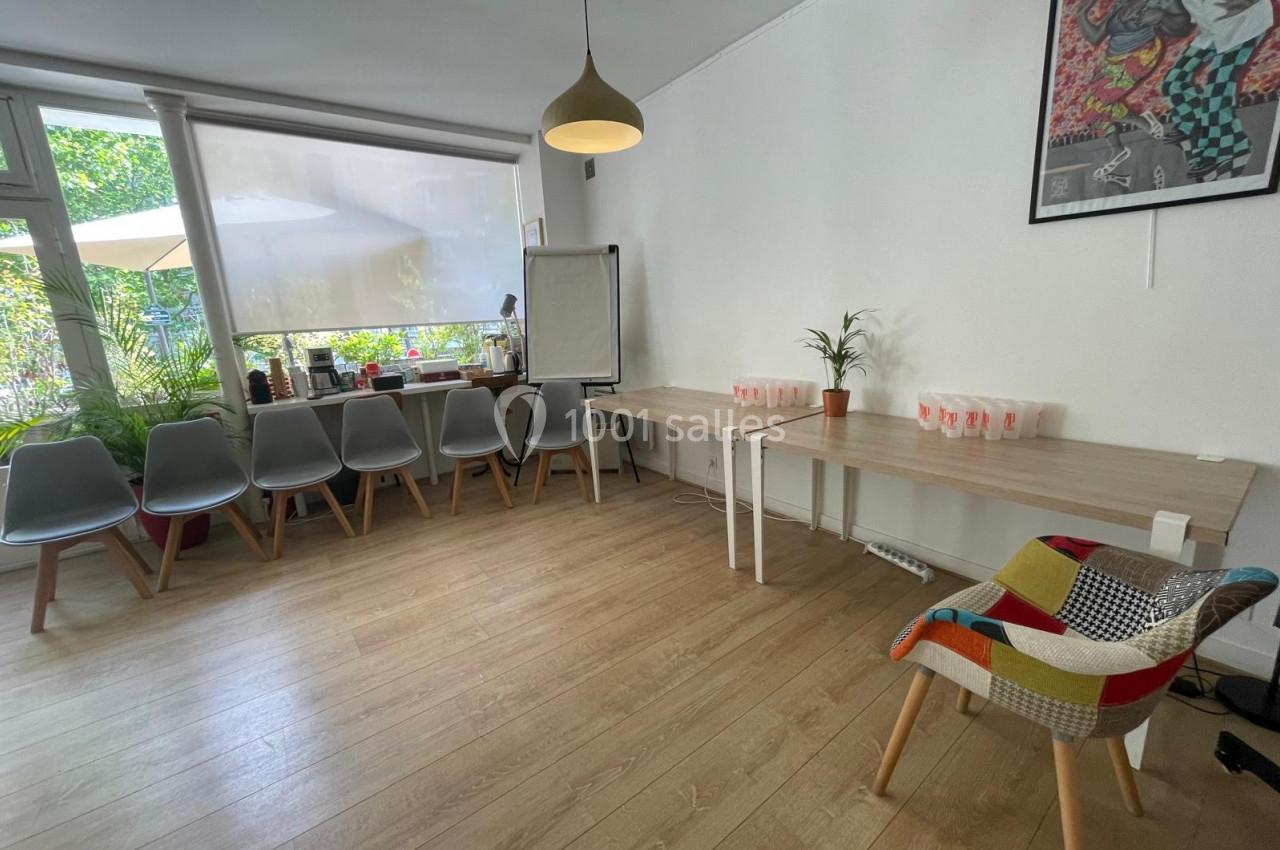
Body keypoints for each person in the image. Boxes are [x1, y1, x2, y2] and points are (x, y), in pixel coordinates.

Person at [1076, 0, 1193, 182]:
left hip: (1139, 55)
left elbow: (1184, 26)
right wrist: (1081, 14)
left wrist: (1162, 16)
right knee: (1090, 111)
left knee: (1100, 102)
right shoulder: (1120, 5)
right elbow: (1094, 37)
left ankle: (1145, 125)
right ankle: (1120, 147)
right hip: (1113, 60)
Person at [1161, 0, 1276, 181]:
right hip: (1212, 31)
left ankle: (1229, 145)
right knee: (1173, 81)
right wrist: (1162, 16)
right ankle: (1196, 124)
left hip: (1244, 25)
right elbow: (1181, 26)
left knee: (1217, 90)